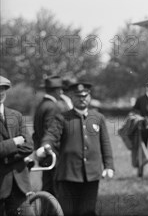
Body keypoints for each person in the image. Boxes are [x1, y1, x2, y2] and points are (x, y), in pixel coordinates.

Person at [36, 80, 114, 216]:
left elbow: (105, 143)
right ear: (71, 98)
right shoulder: (62, 118)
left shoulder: (98, 117)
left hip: (92, 175)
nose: (82, 99)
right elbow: (51, 135)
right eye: (78, 96)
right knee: (68, 211)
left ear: (89, 97)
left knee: (88, 211)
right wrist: (45, 146)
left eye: (85, 95)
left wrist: (109, 165)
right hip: (68, 174)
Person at [0, 76, 35, 216]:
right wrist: (15, 142)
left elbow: (29, 146)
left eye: (2, 89)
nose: (0, 93)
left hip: (19, 184)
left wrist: (5, 155)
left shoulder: (16, 115)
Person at [32, 75, 65, 198]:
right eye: (60, 89)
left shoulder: (42, 105)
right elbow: (50, 132)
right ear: (57, 90)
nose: (61, 92)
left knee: (47, 188)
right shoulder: (52, 107)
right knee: (54, 190)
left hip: (43, 152)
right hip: (52, 153)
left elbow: (36, 132)